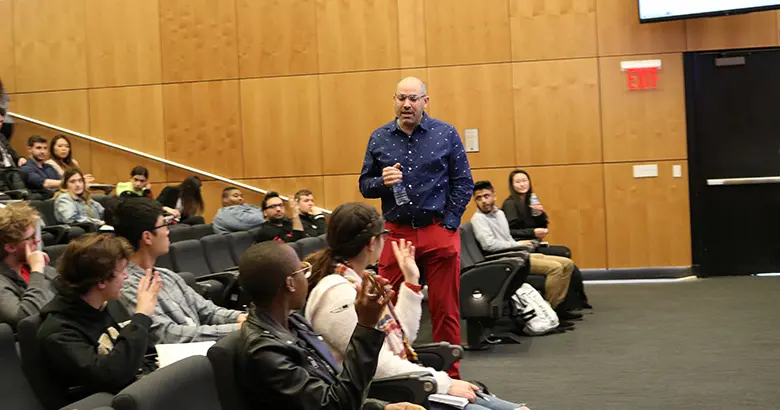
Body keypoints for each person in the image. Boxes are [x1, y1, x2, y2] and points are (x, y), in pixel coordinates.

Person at [305, 203, 523, 410]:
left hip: (402, 384)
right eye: (385, 236)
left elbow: (401, 338)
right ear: (372, 243)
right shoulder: (337, 294)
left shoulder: (361, 281)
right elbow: (379, 366)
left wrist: (411, 280)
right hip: (384, 397)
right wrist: (444, 383)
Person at [359, 77, 473, 378]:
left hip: (438, 230)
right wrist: (381, 182)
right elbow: (364, 186)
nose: (406, 105)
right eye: (401, 98)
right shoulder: (379, 137)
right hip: (397, 234)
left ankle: (451, 379)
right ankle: (394, 374)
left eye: (413, 98)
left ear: (425, 101)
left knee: (445, 310)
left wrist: (450, 223)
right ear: (394, 100)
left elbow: (463, 183)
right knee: (388, 308)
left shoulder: (445, 133)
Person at [236, 240, 421, 410]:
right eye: (303, 271)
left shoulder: (292, 323)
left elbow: (329, 390)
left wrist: (382, 408)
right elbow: (335, 405)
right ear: (290, 284)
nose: (307, 278)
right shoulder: (265, 352)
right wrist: (366, 327)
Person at [37, 234, 162, 406]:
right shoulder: (59, 333)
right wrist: (141, 317)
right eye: (122, 270)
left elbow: (140, 354)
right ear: (102, 281)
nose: (126, 276)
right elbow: (112, 376)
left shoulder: (108, 304)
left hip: (136, 393)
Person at [114, 197, 247, 344]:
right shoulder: (127, 285)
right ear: (147, 237)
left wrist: (243, 318)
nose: (168, 232)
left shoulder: (168, 276)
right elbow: (167, 336)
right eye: (164, 225)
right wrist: (239, 329)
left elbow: (208, 311)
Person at [471, 181, 581, 323]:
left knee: (568, 264)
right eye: (478, 198)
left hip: (517, 253)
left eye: (486, 196)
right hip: (507, 259)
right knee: (556, 268)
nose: (483, 201)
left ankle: (556, 308)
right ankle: (547, 314)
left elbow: (506, 238)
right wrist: (517, 244)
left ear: (494, 196)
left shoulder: (499, 214)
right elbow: (490, 246)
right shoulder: (478, 219)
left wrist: (522, 246)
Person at [502, 169, 591, 309]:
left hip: (535, 244)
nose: (522, 184)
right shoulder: (510, 204)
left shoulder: (530, 199)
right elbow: (510, 231)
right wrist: (533, 232)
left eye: (524, 181)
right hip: (523, 247)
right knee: (561, 264)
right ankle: (553, 307)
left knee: (567, 258)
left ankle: (568, 303)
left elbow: (542, 225)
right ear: (512, 185)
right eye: (518, 182)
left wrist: (539, 215)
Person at [0, 203, 57, 329]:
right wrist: (37, 270)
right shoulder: (2, 282)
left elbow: (68, 292)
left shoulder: (29, 265)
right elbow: (25, 319)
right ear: (10, 247)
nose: (37, 241)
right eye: (31, 238)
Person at [0, 107, 29, 198]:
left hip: (11, 170)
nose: (0, 124)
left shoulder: (1, 136)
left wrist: (20, 157)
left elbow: (11, 151)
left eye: (1, 122)